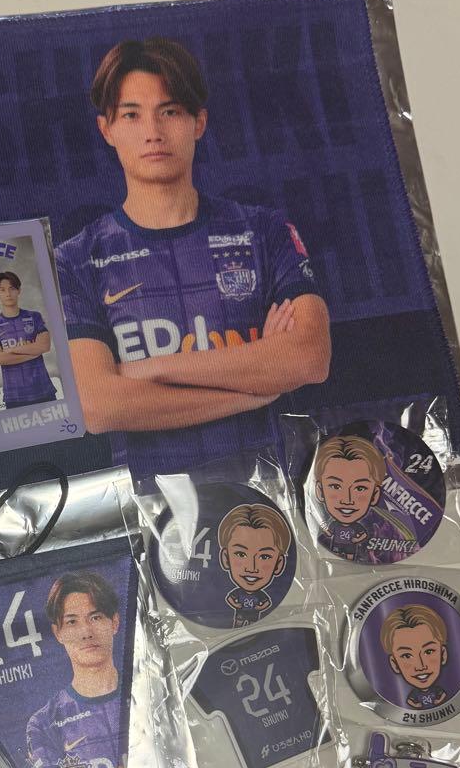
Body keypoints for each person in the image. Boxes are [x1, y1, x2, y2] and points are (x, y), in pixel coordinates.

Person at [54, 37, 331, 482]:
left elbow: (309, 358)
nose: (153, 132)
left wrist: (145, 370)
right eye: (132, 115)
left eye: (170, 111)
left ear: (198, 122)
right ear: (107, 129)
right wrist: (256, 385)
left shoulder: (264, 230)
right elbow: (97, 406)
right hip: (152, 501)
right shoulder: (74, 261)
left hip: (272, 487)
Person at [26, 571, 126, 768]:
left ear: (114, 622)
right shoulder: (44, 723)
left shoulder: (148, 694)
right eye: (72, 621)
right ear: (58, 632)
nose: (85, 632)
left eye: (95, 617)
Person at [0, 271, 58, 408]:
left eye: (12, 288)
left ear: (19, 290)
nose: (8, 294)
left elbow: (44, 346)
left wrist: (10, 351)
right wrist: (33, 352)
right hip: (14, 397)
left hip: (44, 390)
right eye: (3, 290)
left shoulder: (34, 317)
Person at [312, 434, 386, 563]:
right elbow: (327, 531)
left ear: (374, 495)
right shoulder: (325, 525)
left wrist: (357, 540)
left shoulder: (358, 527)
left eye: (360, 488)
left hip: (350, 550)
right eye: (335, 486)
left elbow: (363, 534)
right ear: (319, 491)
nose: (347, 500)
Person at [217, 503, 291, 628]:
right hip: (239, 618)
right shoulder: (237, 592)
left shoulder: (266, 597)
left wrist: (260, 608)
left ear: (279, 564)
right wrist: (236, 605)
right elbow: (230, 599)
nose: (251, 568)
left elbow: (266, 603)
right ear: (225, 558)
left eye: (264, 557)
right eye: (241, 554)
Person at [380, 604, 450, 710]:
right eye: (407, 655)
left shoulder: (439, 691)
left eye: (428, 651)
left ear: (443, 654)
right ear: (395, 664)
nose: (420, 666)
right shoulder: (411, 695)